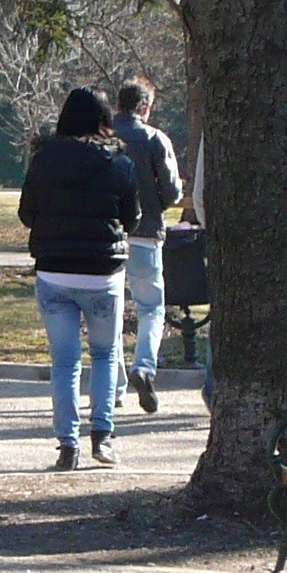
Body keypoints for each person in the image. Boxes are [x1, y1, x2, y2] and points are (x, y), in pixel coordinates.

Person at [16, 87, 142, 470]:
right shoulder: (119, 164)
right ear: (102, 122)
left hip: (54, 270)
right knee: (105, 355)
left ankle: (67, 444)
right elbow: (132, 218)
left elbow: (26, 214)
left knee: (65, 361)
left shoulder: (43, 161)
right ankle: (102, 437)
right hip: (103, 273)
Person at [107, 80, 183, 415]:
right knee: (151, 307)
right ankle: (144, 366)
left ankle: (114, 386)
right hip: (146, 232)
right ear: (144, 107)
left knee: (109, 313)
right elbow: (171, 192)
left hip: (107, 235)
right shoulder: (155, 139)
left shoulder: (102, 138)